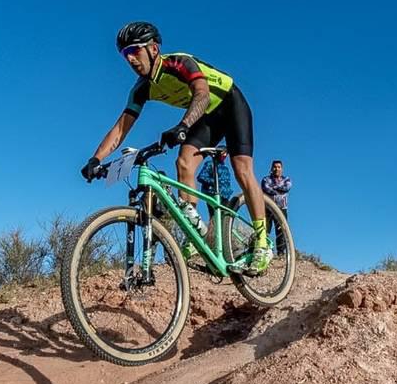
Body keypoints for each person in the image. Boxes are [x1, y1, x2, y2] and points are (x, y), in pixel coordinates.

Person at [81, 21, 271, 274]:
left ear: (154, 49)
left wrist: (183, 125)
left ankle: (261, 243)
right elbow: (120, 129)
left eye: (134, 51)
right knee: (183, 163)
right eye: (125, 54)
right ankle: (196, 234)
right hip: (204, 118)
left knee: (242, 169)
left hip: (229, 103)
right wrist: (95, 159)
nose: (130, 60)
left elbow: (201, 94)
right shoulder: (141, 89)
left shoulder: (178, 63)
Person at [261, 159, 292, 255]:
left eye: (279, 167)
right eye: (275, 167)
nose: (276, 169)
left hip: (282, 208)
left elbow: (287, 187)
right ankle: (263, 250)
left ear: (282, 169)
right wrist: (278, 189)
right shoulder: (266, 179)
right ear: (271, 168)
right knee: (265, 229)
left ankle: (281, 252)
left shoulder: (286, 179)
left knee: (281, 230)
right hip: (268, 208)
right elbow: (266, 188)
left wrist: (273, 188)